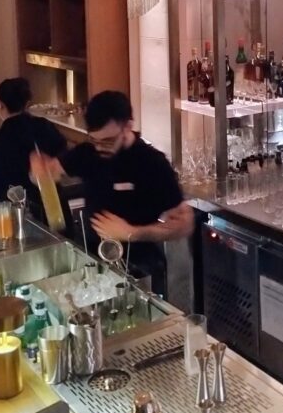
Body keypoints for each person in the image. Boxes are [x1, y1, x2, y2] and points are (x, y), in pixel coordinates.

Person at [31, 91, 193, 296]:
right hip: (95, 265)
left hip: (140, 270)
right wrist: (39, 170)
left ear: (128, 126)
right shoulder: (88, 152)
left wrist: (132, 232)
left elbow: (184, 224)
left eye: (108, 141)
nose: (100, 147)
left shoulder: (152, 163)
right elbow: (50, 171)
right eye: (94, 139)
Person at [0, 78, 68, 202]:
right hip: (52, 203)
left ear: (0, 104)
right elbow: (65, 161)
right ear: (27, 104)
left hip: (16, 209)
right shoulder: (45, 127)